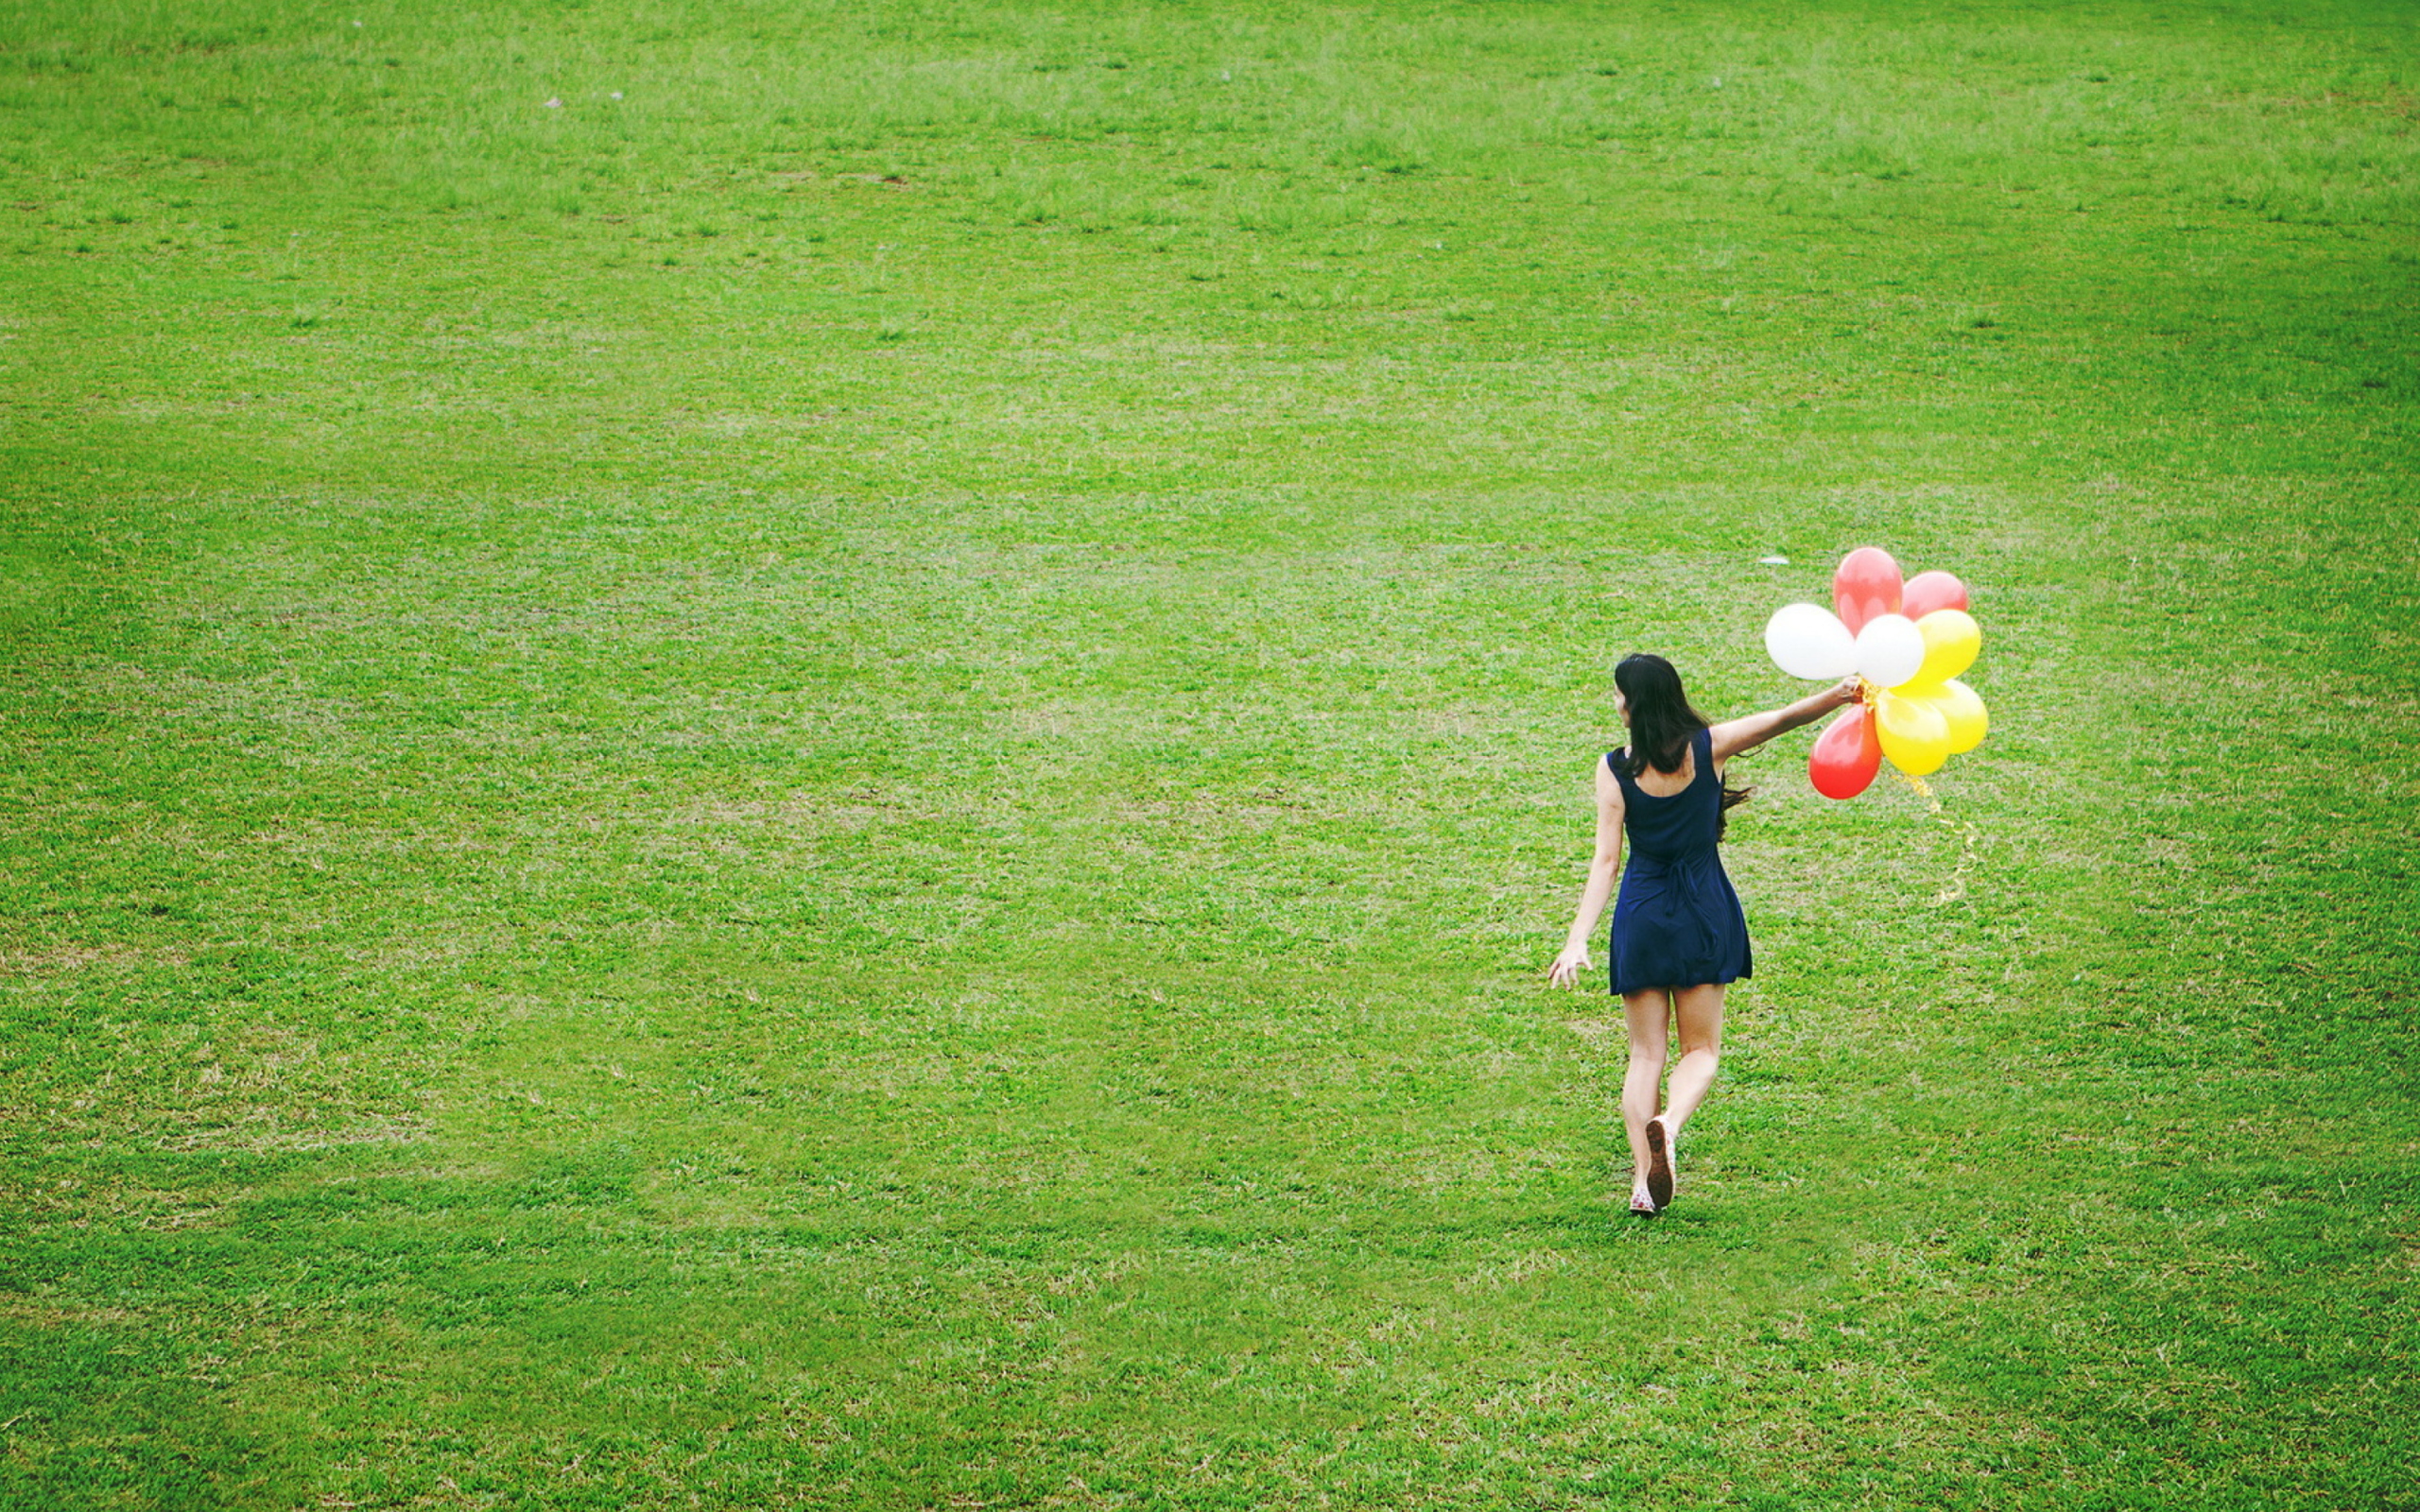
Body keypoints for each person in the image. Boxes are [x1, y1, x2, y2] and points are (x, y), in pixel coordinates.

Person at [1547, 654, 1861, 1215]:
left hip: (1642, 915)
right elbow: (1783, 718)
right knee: (1702, 1050)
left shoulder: (1614, 769)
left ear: (1634, 703)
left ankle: (1644, 1188)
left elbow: (1605, 862)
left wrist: (1578, 939)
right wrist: (1838, 696)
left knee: (1645, 1054)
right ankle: (1668, 1124)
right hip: (1703, 911)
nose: (1615, 703)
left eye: (1619, 694)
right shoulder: (1709, 746)